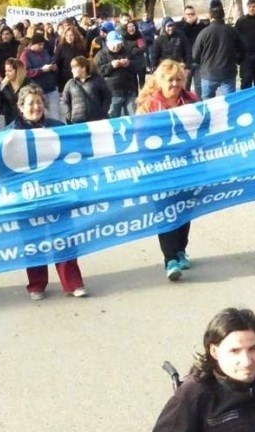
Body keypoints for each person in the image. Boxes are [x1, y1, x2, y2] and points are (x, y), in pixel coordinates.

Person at [4, 84, 87, 300]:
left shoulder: (57, 127)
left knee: (64, 237)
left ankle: (72, 282)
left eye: (39, 102)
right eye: (31, 103)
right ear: (21, 107)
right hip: (27, 196)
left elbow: (71, 157)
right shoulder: (10, 134)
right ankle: (37, 284)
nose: (36, 107)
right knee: (33, 240)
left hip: (57, 193)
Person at [135, 59, 199, 280]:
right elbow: (141, 141)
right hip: (160, 170)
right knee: (166, 212)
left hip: (188, 167)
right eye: (170, 80)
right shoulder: (149, 107)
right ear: (160, 82)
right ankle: (170, 259)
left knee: (185, 209)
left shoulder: (192, 101)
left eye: (179, 79)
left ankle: (181, 249)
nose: (175, 83)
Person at [192, 5, 246, 99]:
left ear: (210, 16)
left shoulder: (204, 33)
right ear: (223, 16)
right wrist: (238, 61)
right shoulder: (232, 31)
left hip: (208, 73)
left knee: (207, 104)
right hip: (227, 72)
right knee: (230, 103)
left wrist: (201, 64)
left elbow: (195, 54)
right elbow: (243, 49)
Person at [95, 31, 138, 118]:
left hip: (129, 90)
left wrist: (129, 63)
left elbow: (138, 65)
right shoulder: (100, 55)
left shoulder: (128, 51)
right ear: (107, 43)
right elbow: (97, 72)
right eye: (113, 44)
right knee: (113, 117)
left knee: (133, 116)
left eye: (118, 44)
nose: (116, 47)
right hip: (112, 93)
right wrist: (111, 66)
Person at [20, 34, 60, 120]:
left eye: (43, 44)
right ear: (32, 44)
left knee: (55, 116)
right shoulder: (25, 55)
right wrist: (41, 70)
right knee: (40, 116)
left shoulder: (44, 52)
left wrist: (53, 67)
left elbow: (51, 61)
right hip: (37, 90)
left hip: (51, 88)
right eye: (39, 44)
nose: (41, 47)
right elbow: (26, 72)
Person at [61, 56, 110, 124]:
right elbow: (65, 101)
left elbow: (107, 97)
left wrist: (103, 112)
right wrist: (70, 116)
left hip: (97, 119)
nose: (72, 70)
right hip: (77, 121)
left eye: (74, 67)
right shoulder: (70, 83)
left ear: (83, 68)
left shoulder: (97, 80)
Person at [178, 5, 208, 98]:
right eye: (188, 14)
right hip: (185, 62)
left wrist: (200, 23)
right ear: (184, 15)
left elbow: (206, 30)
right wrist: (188, 24)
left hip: (198, 61)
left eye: (192, 14)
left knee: (199, 87)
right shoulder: (180, 25)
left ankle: (200, 105)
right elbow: (180, 34)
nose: (190, 16)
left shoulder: (199, 25)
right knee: (185, 87)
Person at [54, 27, 88, 93]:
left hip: (80, 76)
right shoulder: (60, 48)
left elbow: (85, 60)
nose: (69, 37)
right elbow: (57, 64)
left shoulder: (80, 46)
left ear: (75, 36)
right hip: (66, 78)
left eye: (71, 35)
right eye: (67, 35)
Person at [0, 58, 30, 126]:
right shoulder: (3, 86)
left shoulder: (28, 84)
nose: (6, 73)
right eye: (6, 71)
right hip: (10, 121)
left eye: (9, 71)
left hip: (27, 120)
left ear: (18, 71)